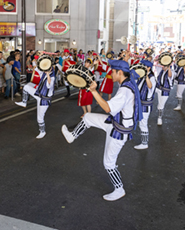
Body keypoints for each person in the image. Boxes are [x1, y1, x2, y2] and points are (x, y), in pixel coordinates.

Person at [61, 59, 143, 201]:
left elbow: (107, 108)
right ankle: (72, 136)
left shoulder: (124, 90)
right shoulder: (126, 82)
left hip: (119, 130)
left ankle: (119, 189)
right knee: (88, 117)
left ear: (120, 72)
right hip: (115, 123)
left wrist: (93, 91)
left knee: (109, 163)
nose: (111, 73)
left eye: (113, 71)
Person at [15, 61, 55, 139]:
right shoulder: (43, 73)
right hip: (38, 94)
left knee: (40, 118)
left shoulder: (52, 77)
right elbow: (36, 68)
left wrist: (47, 73)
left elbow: (49, 84)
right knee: (26, 86)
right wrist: (38, 62)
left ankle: (42, 131)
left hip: (44, 100)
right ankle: (24, 102)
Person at [134, 60, 156, 150]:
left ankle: (144, 143)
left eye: (144, 66)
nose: (141, 67)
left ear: (149, 68)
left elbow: (150, 87)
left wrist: (146, 75)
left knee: (143, 124)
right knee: (140, 122)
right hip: (140, 103)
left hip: (145, 105)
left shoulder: (151, 77)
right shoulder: (142, 76)